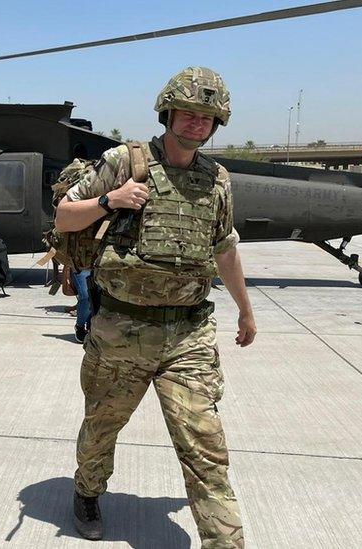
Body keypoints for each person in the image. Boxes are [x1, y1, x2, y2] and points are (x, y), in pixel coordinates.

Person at [55, 67, 256, 547]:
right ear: (168, 113)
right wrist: (111, 199)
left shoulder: (217, 178)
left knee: (205, 448)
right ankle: (86, 492)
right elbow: (64, 216)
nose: (196, 123)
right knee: (102, 428)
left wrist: (246, 310)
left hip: (188, 334)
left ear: (216, 123)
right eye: (187, 113)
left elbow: (224, 248)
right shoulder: (126, 161)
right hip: (121, 329)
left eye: (206, 116)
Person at [70, 267, 92, 343]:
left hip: (103, 267)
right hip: (82, 268)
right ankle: (80, 326)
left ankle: (92, 326)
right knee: (87, 296)